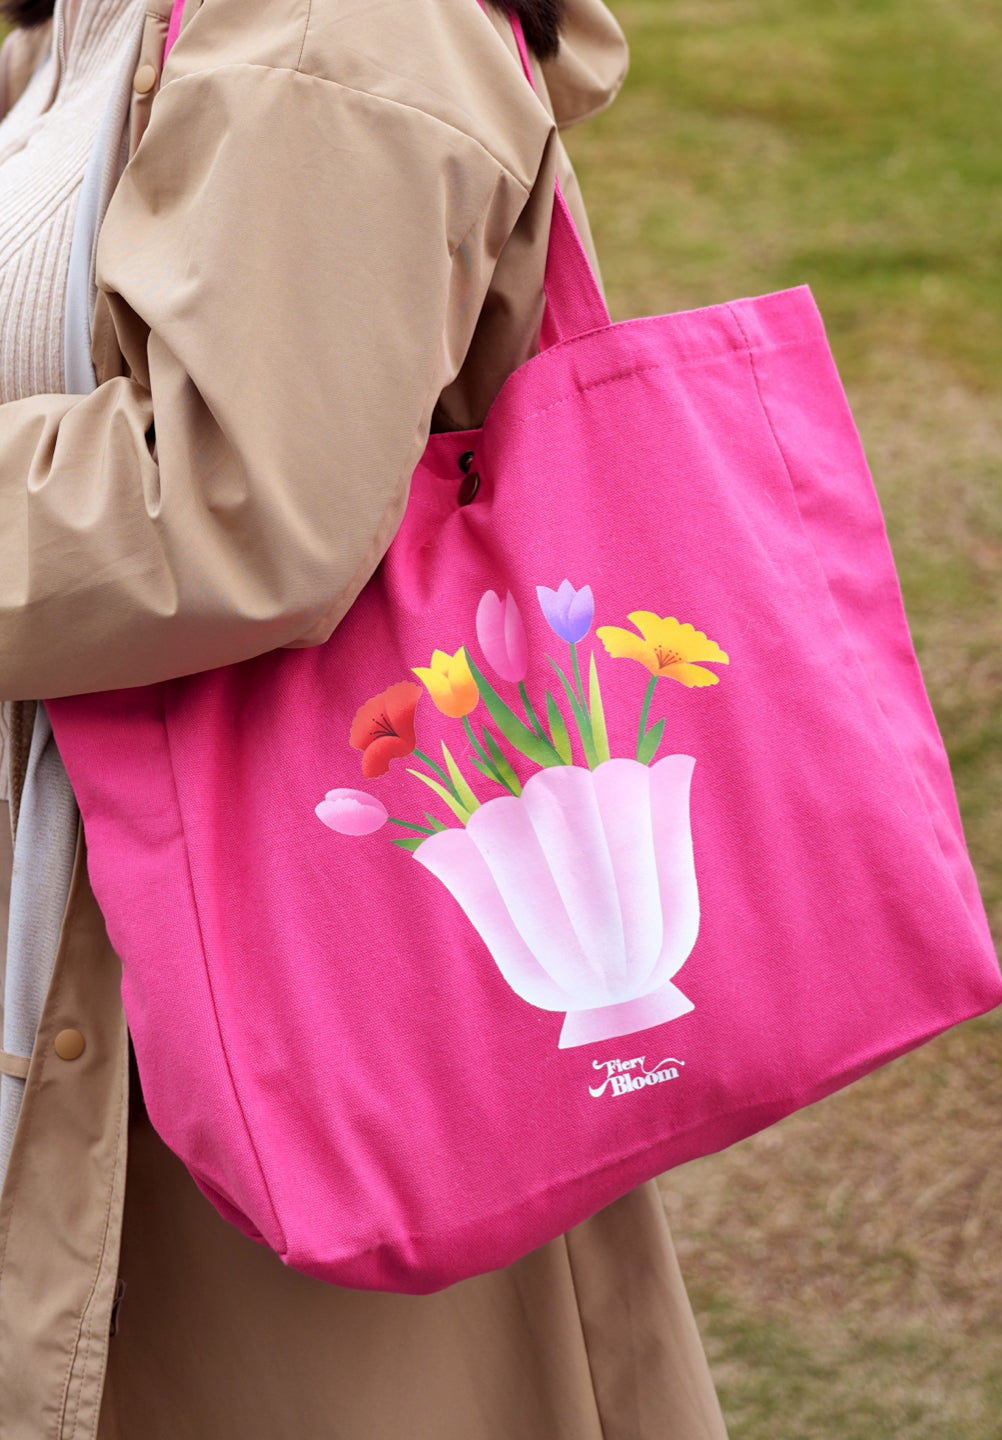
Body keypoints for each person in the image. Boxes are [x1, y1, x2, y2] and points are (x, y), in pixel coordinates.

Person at [0, 0, 729, 1435]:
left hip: (268, 976)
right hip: (120, 934)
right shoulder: (91, 22)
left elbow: (228, 505)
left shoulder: (341, 27)